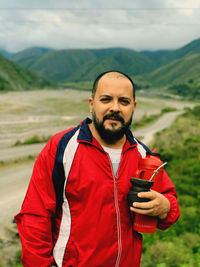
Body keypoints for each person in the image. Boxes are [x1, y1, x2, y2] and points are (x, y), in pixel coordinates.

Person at [15, 70, 180, 267]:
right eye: (106, 99)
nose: (115, 108)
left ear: (134, 107)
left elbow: (169, 204)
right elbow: (35, 215)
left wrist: (165, 207)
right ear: (92, 103)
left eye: (124, 101)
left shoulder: (143, 154)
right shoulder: (63, 146)